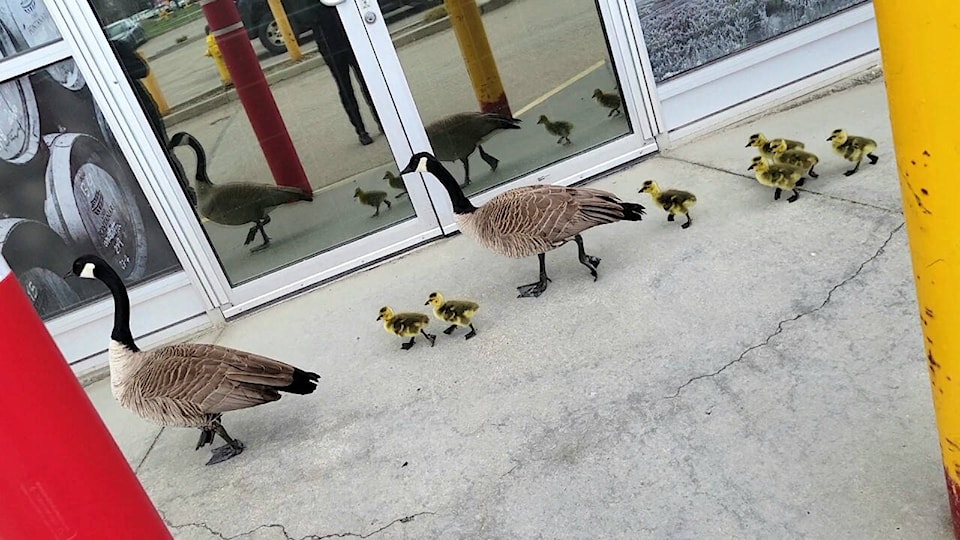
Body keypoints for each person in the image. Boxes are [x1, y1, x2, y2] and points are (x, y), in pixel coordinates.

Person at [110, 39, 197, 206]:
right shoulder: (85, 58)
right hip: (117, 117)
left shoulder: (117, 47)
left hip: (143, 110)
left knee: (162, 151)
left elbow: (142, 69)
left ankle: (184, 195)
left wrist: (113, 68)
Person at [310, 2, 382, 146]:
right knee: (344, 86)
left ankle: (381, 120)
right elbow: (306, 15)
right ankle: (361, 130)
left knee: (366, 80)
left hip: (350, 34)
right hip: (328, 40)